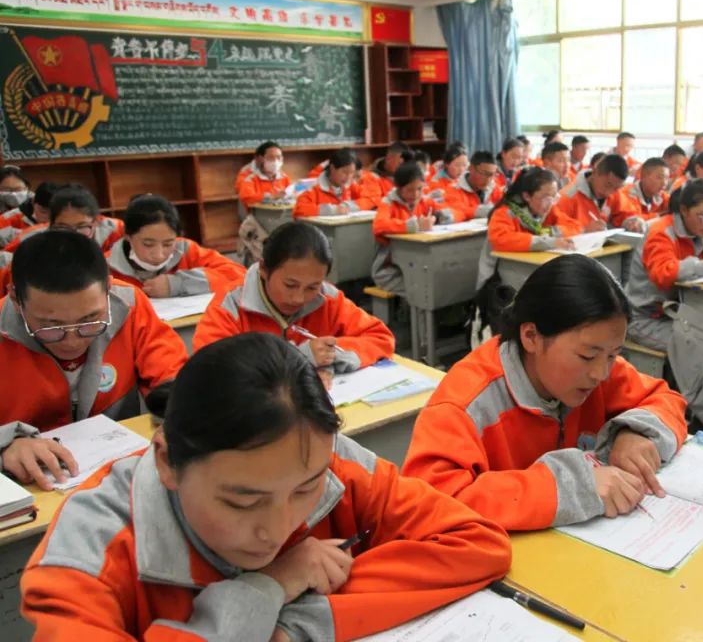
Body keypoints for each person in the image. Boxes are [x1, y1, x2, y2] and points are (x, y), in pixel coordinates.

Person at [21, 332, 511, 640]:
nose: (277, 531)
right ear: (168, 461)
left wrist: (293, 624)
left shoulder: (326, 462)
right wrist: (266, 587)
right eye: (242, 501)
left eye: (304, 491)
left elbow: (477, 543)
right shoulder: (86, 552)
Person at [403, 254, 688, 531]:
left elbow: (665, 400)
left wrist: (636, 432)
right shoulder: (466, 404)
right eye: (587, 356)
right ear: (531, 337)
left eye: (613, 355)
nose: (601, 373)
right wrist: (569, 489)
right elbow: (430, 504)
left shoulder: (600, 371)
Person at [0, 231, 187, 488]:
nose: (72, 341)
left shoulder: (129, 306)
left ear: (108, 289)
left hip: (118, 475)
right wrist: (5, 446)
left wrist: (181, 408)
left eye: (90, 320)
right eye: (50, 326)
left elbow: (174, 379)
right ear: (15, 300)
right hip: (30, 486)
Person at [194, 222, 394, 389]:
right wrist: (297, 360)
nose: (298, 298)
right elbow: (208, 373)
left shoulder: (327, 297)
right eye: (290, 285)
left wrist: (330, 357)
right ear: (264, 269)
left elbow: (380, 337)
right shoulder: (230, 306)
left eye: (312, 287)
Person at [625, 179, 703, 349]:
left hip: (680, 312)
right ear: (684, 210)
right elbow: (663, 273)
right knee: (701, 348)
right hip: (647, 318)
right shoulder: (661, 233)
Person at [108, 194, 245, 298]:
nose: (159, 255)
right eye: (148, 244)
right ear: (128, 236)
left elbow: (240, 275)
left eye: (168, 244)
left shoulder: (187, 250)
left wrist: (178, 283)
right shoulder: (106, 266)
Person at [477, 167, 581, 292]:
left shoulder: (547, 209)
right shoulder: (505, 213)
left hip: (531, 271)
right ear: (527, 196)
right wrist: (548, 242)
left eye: (554, 197)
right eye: (545, 197)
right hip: (499, 281)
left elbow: (574, 227)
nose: (550, 203)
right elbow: (501, 239)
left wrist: (549, 232)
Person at [372, 163, 453, 294]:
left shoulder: (424, 201)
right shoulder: (388, 203)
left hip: (418, 266)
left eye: (420, 189)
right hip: (390, 271)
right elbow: (379, 225)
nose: (415, 194)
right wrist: (414, 226)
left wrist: (437, 218)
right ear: (398, 188)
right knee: (425, 290)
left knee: (441, 283)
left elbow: (451, 212)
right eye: (409, 190)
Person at [5, 184, 125, 255]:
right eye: (63, 227)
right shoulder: (30, 239)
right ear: (50, 224)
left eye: (82, 226)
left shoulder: (117, 230)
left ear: (96, 222)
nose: (73, 235)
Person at [556, 153, 629, 232]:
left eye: (616, 188)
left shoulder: (615, 191)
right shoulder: (568, 197)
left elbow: (624, 212)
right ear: (594, 172)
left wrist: (630, 221)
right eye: (607, 185)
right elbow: (554, 231)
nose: (609, 193)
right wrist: (583, 230)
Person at [293, 148, 366, 218]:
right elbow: (299, 210)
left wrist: (348, 205)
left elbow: (369, 199)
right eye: (344, 172)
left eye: (351, 173)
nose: (348, 177)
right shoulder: (314, 187)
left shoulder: (350, 185)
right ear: (332, 168)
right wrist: (333, 210)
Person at [609, 157, 670, 232]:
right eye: (659, 177)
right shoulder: (624, 195)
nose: (664, 183)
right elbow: (633, 222)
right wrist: (660, 216)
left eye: (667, 178)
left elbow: (674, 206)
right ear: (643, 176)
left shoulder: (662, 196)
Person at [444, 151, 504, 221]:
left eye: (492, 175)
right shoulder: (454, 189)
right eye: (484, 174)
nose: (488, 179)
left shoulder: (493, 187)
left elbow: (508, 206)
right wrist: (481, 211)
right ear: (471, 168)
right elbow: (457, 211)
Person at [238, 142, 291, 211]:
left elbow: (290, 193)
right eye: (271, 157)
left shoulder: (284, 177)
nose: (276, 161)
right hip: (259, 214)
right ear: (261, 159)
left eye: (279, 157)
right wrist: (271, 196)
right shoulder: (250, 179)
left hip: (282, 212)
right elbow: (246, 198)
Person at [0, 180, 56, 246]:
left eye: (55, 212)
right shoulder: (7, 219)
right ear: (33, 201)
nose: (49, 217)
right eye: (43, 211)